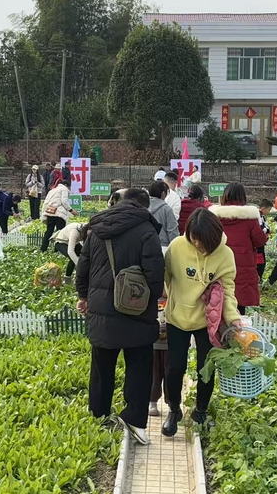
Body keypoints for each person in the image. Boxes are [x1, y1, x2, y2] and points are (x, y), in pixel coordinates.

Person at [76, 188, 165, 445]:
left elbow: (84, 266)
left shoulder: (97, 228)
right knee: (139, 365)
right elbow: (154, 273)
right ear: (144, 207)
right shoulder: (146, 230)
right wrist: (149, 299)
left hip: (101, 308)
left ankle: (99, 415)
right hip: (136, 309)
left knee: (102, 365)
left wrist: (84, 297)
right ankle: (134, 420)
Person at [162, 208, 240, 435]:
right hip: (177, 317)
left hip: (208, 321)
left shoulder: (225, 255)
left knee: (206, 368)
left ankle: (201, 410)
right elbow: (165, 278)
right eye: (194, 239)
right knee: (175, 367)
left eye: (203, 242)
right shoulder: (177, 246)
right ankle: (174, 409)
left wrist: (233, 319)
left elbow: (228, 290)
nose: (198, 244)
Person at [209, 183, 267, 315]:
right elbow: (260, 241)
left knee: (219, 296)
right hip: (243, 265)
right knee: (240, 301)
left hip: (219, 262)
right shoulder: (249, 218)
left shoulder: (215, 216)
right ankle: (237, 331)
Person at [40, 180, 73, 252]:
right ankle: (57, 250)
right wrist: (71, 210)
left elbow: (46, 202)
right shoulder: (64, 189)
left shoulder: (52, 190)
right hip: (59, 214)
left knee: (49, 231)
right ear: (66, 185)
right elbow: (64, 201)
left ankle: (43, 249)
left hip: (50, 213)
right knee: (60, 232)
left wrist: (43, 213)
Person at [148, 181, 179, 246]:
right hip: (163, 245)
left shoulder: (144, 206)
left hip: (146, 245)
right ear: (163, 193)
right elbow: (172, 232)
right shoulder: (167, 209)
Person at [255, 199, 273, 279]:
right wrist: (268, 230)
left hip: (260, 243)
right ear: (263, 208)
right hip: (258, 244)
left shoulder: (261, 216)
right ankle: (258, 279)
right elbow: (261, 228)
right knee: (260, 263)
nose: (269, 212)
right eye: (269, 210)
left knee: (260, 262)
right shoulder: (258, 216)